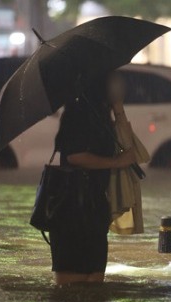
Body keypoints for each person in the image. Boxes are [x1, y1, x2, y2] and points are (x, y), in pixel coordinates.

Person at [50, 72, 136, 285]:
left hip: (95, 207)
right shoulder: (78, 113)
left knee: (95, 283)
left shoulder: (102, 114)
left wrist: (118, 109)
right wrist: (115, 163)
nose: (120, 85)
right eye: (113, 81)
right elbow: (75, 156)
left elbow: (130, 149)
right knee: (71, 286)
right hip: (71, 209)